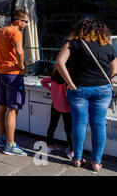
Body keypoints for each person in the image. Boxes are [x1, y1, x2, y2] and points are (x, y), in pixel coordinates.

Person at [56, 18, 117, 172]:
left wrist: (70, 83)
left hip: (79, 89)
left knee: (79, 124)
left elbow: (59, 62)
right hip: (102, 89)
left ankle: (77, 159)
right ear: (101, 31)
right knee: (99, 125)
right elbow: (114, 70)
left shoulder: (73, 44)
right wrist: (103, 80)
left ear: (80, 29)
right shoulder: (108, 46)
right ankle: (96, 163)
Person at [0, 9, 29, 156]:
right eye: (25, 22)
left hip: (1, 72)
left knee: (1, 106)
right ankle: (10, 145)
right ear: (18, 21)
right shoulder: (16, 32)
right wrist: (21, 66)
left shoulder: (0, 31)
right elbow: (20, 51)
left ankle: (1, 138)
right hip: (13, 74)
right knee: (12, 109)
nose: (26, 25)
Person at [40, 69, 74, 159]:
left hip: (55, 105)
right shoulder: (68, 80)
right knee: (69, 130)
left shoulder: (54, 77)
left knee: (52, 125)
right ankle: (72, 151)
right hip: (67, 107)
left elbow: (43, 81)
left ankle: (49, 146)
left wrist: (51, 89)